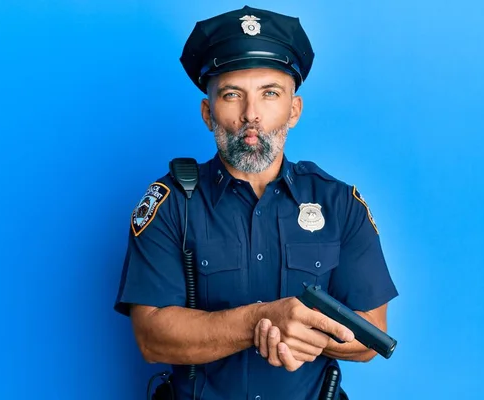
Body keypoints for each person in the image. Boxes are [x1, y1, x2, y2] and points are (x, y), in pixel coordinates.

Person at [114, 5, 398, 400]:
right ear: (207, 112)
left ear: (293, 109)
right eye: (232, 95)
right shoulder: (170, 203)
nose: (252, 115)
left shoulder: (339, 203)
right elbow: (152, 337)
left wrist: (299, 329)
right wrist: (261, 320)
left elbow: (371, 336)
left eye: (270, 94)